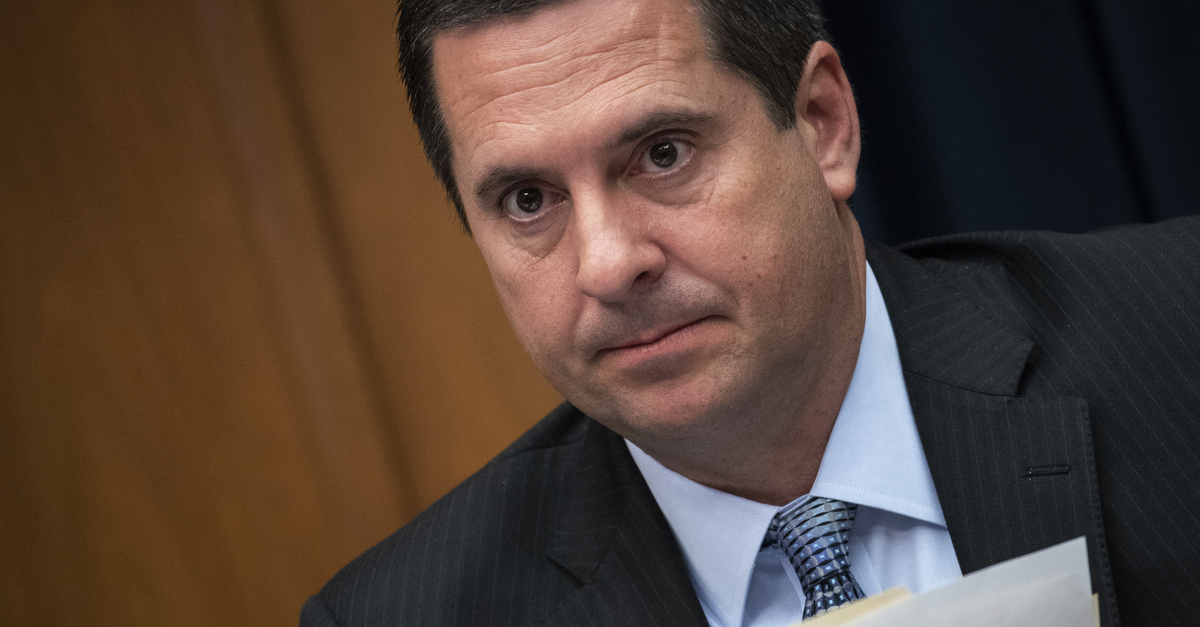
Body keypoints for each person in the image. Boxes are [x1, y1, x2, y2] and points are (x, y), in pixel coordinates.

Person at [301, 0, 1200, 625]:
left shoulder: (1178, 336)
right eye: (529, 201)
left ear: (821, 123)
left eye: (662, 153)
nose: (610, 262)